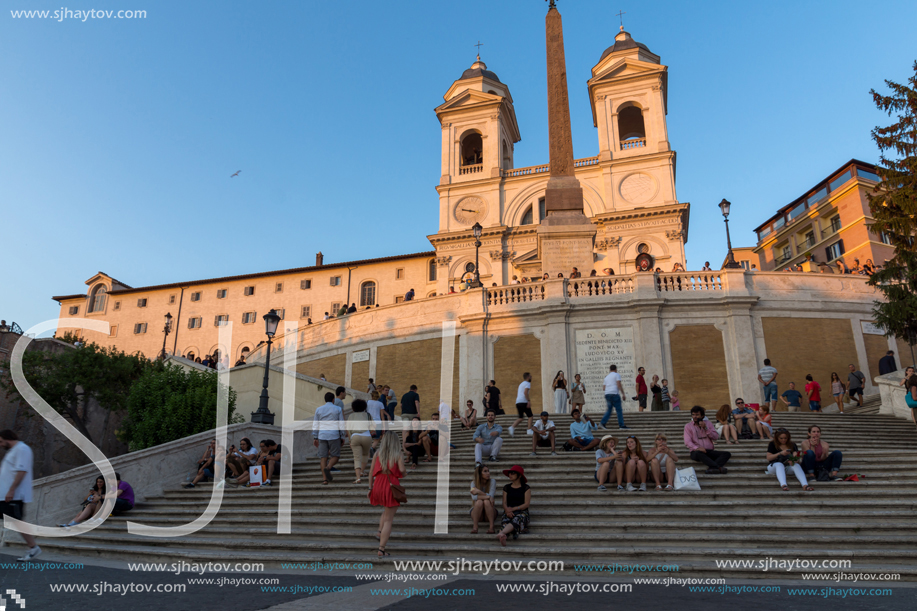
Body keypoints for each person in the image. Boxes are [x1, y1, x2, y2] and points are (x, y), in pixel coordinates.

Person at [0, 431, 40, 561]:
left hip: (14, 496)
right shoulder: (13, 450)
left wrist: (11, 490)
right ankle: (33, 547)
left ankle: (33, 547)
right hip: (5, 495)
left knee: (17, 522)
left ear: (8, 439)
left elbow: (22, 471)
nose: (0, 445)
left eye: (1, 441)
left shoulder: (22, 449)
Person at [368, 430, 405, 557]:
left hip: (378, 483)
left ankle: (379, 530)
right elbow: (402, 470)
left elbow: (371, 472)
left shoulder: (378, 453)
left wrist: (370, 488)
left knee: (386, 510)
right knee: (389, 519)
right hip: (390, 485)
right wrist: (404, 473)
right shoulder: (398, 454)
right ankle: (381, 549)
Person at [683, 406, 731, 474]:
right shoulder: (688, 426)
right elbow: (687, 442)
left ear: (702, 416)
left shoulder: (708, 423)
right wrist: (697, 448)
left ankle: (712, 468)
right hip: (696, 452)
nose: (695, 417)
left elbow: (715, 437)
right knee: (698, 453)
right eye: (693, 415)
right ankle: (718, 467)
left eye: (697, 415)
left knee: (726, 454)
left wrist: (705, 428)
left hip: (708, 451)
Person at [313, 392, 345, 485]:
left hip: (322, 435)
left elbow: (316, 424)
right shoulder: (338, 409)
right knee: (335, 456)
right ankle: (328, 467)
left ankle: (325, 479)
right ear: (333, 400)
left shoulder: (318, 409)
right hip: (334, 435)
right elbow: (341, 424)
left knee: (323, 458)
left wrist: (315, 437)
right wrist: (342, 436)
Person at [496, 465, 531, 547]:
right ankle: (504, 537)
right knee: (506, 521)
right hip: (508, 511)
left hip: (522, 511)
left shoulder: (526, 488)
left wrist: (515, 508)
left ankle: (502, 533)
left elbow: (526, 504)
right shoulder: (507, 487)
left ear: (519, 476)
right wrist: (507, 510)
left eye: (513, 473)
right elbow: (504, 502)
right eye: (509, 473)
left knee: (517, 519)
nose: (510, 475)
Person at [346, 399, 374, 484]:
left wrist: (350, 441)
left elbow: (348, 429)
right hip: (366, 436)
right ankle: (362, 471)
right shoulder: (368, 415)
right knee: (365, 454)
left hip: (355, 436)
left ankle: (358, 478)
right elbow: (373, 427)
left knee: (357, 458)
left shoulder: (351, 416)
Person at [470, 464, 497, 534]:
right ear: (479, 474)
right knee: (479, 502)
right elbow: (474, 497)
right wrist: (488, 497)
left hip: (490, 511)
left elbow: (491, 496)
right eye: (485, 471)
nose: (488, 473)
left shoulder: (492, 481)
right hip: (478, 513)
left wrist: (479, 492)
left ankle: (491, 527)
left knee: (486, 502)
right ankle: (475, 527)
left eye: (488, 471)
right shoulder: (473, 483)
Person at [602, 364, 628, 429]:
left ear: (610, 370)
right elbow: (618, 384)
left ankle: (602, 423)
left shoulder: (606, 377)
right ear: (616, 369)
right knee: (619, 410)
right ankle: (621, 425)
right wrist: (623, 393)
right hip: (614, 394)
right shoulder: (616, 375)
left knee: (609, 410)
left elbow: (604, 388)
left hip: (607, 394)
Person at [509, 372, 533, 437]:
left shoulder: (521, 384)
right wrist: (528, 401)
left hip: (518, 402)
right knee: (530, 416)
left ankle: (512, 427)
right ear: (528, 377)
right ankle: (529, 430)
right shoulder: (528, 383)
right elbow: (525, 392)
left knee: (521, 418)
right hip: (523, 401)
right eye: (530, 376)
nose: (531, 377)